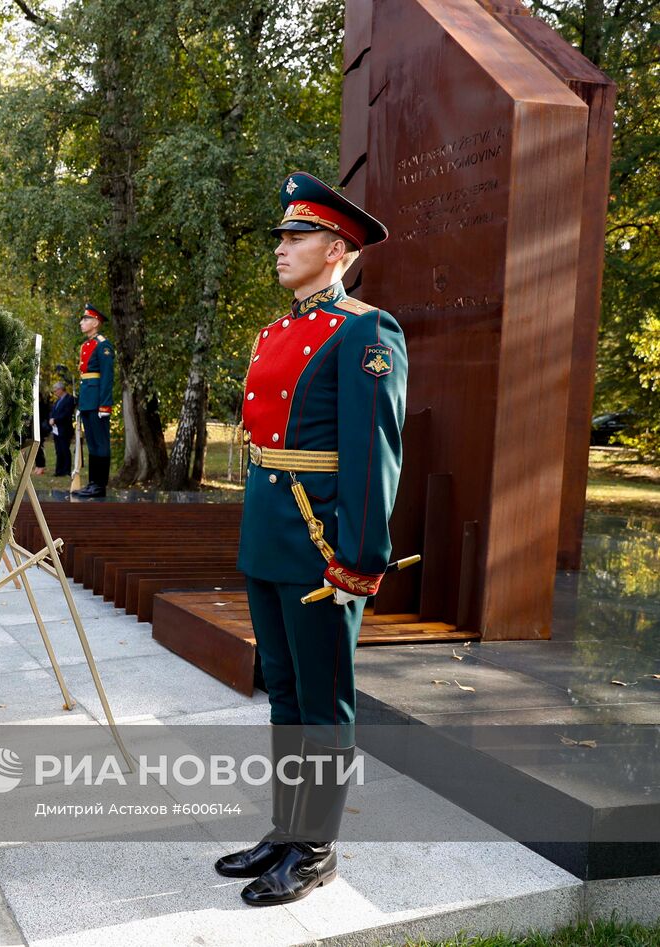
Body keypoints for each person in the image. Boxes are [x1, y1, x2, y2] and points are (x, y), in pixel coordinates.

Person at [213, 171, 407, 907]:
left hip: (323, 544)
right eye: (282, 236)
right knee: (286, 694)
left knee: (322, 703)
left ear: (337, 249)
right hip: (270, 533)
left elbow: (372, 455)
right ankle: (287, 830)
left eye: (297, 237)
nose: (281, 248)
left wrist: (359, 557)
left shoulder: (366, 329)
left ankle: (317, 849)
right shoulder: (277, 331)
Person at [71, 305, 115, 498]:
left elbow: (106, 377)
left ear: (95, 323)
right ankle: (92, 483)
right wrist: (82, 404)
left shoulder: (103, 345)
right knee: (93, 444)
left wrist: (105, 404)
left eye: (86, 319)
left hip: (98, 402)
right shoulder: (87, 345)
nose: (82, 322)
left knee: (101, 443)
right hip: (88, 401)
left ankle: (99, 485)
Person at [48, 380, 75, 477]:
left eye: (55, 391)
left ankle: (66, 470)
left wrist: (55, 420)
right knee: (58, 450)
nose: (54, 393)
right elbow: (53, 411)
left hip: (65, 429)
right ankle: (59, 471)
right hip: (56, 429)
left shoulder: (69, 399)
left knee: (65, 449)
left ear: (60, 389)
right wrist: (51, 418)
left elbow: (67, 414)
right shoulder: (57, 401)